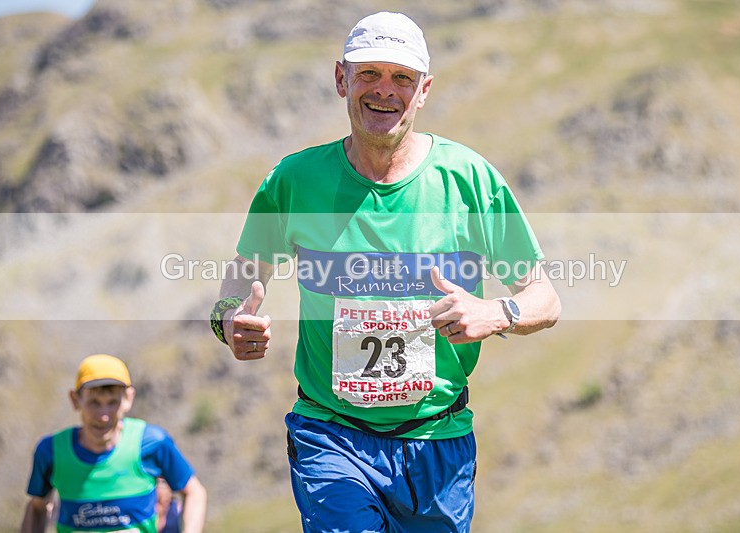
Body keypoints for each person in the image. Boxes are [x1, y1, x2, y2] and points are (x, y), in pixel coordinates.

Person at [210, 11, 561, 533]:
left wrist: (497, 312)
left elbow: (544, 298)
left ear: (424, 91)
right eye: (369, 73)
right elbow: (239, 281)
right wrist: (228, 321)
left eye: (402, 78)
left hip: (438, 440)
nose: (384, 90)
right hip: (331, 435)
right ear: (341, 79)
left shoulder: (469, 179)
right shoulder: (293, 181)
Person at [21, 354, 207, 533]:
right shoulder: (52, 452)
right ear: (75, 399)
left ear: (128, 399)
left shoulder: (152, 443)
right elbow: (37, 507)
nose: (103, 416)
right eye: (94, 402)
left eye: (112, 402)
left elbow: (194, 492)